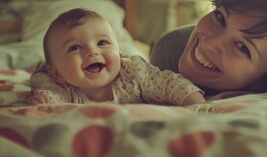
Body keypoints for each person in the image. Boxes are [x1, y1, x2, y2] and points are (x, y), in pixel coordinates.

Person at [28, 8, 206, 105]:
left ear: (119, 53)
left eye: (102, 43)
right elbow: (45, 89)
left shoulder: (133, 72)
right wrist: (42, 101)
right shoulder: (63, 88)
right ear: (58, 74)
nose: (92, 52)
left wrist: (195, 102)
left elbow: (168, 83)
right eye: (75, 47)